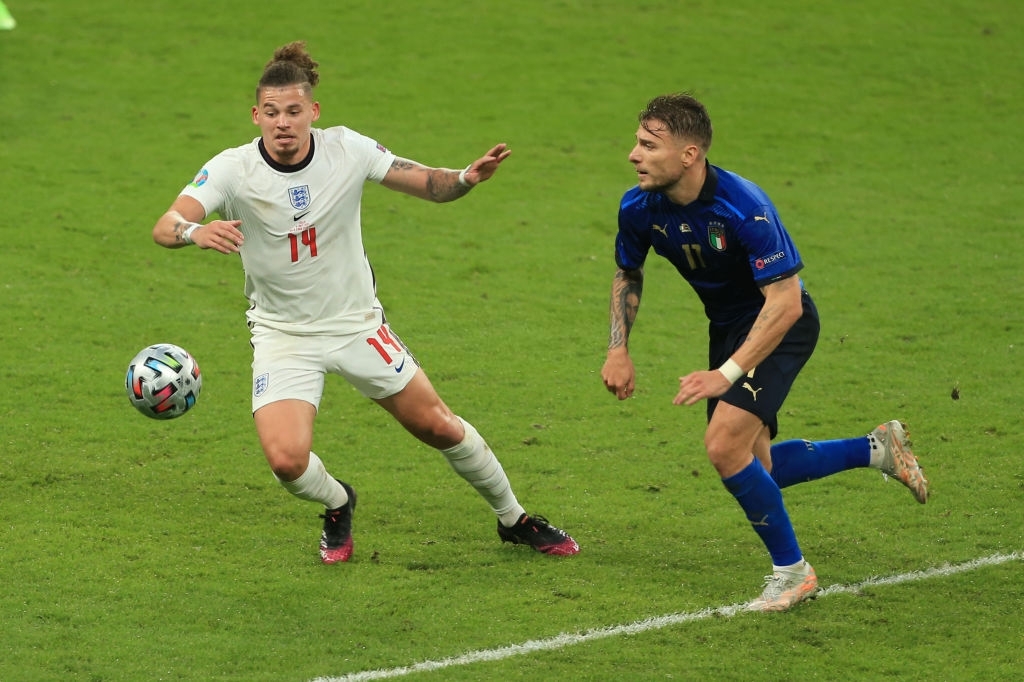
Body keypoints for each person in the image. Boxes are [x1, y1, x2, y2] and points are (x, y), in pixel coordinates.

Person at [152, 41, 578, 563]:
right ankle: (338, 502)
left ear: (313, 111)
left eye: (292, 111)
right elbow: (166, 224)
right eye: (271, 112)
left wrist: (467, 178)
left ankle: (514, 519)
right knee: (286, 460)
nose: (282, 123)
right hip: (283, 335)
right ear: (256, 115)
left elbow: (426, 182)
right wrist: (196, 231)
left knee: (438, 426)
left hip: (355, 325)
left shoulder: (346, 150)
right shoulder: (232, 168)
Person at [601, 93, 928, 612]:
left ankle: (793, 573)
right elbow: (629, 269)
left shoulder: (743, 206)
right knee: (760, 471)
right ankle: (877, 448)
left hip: (781, 325)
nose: (633, 155)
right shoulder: (638, 206)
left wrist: (724, 373)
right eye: (636, 142)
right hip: (729, 328)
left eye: (648, 145)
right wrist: (618, 349)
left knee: (722, 446)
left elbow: (786, 302)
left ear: (689, 155)